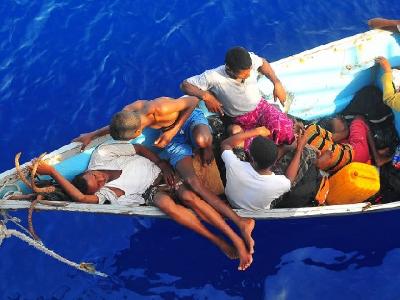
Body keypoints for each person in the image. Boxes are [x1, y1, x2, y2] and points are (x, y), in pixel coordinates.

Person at [73, 96, 256, 257]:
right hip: (173, 138)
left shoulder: (160, 108)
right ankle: (237, 227)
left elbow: (192, 101)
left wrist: (172, 131)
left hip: (187, 121)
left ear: (137, 134)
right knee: (192, 184)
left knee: (202, 141)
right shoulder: (129, 112)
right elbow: (117, 126)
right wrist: (92, 134)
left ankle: (239, 222)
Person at [34, 142, 253, 270]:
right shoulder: (105, 192)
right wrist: (53, 172)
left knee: (190, 198)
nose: (101, 180)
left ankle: (235, 239)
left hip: (163, 174)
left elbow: (138, 148)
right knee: (170, 208)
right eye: (98, 184)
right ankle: (219, 242)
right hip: (150, 192)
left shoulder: (102, 154)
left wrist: (161, 163)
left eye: (96, 176)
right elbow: (82, 200)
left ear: (87, 171)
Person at [180, 46, 295, 148]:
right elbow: (185, 85)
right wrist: (206, 96)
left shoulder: (249, 59)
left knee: (285, 130)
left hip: (261, 108)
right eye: (244, 75)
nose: (249, 75)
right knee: (253, 146)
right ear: (229, 69)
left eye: (249, 71)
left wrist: (276, 83)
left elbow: (263, 63)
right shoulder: (214, 76)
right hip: (240, 120)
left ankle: (271, 142)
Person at [220, 126, 307, 211]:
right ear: (275, 162)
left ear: (251, 157)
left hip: (232, 202)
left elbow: (225, 144)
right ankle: (286, 149)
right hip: (257, 211)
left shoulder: (234, 165)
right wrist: (299, 149)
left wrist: (255, 132)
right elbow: (290, 179)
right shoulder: (279, 184)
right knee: (307, 153)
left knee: (233, 129)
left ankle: (284, 149)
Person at [308, 115, 390, 173]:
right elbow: (341, 134)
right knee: (359, 119)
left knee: (344, 141)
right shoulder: (312, 131)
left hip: (348, 167)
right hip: (357, 154)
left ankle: (373, 154)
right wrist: (347, 129)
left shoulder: (308, 148)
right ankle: (377, 157)